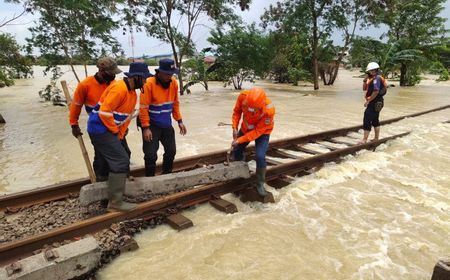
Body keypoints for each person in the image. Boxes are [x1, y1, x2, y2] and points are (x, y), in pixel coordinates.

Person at [87, 62, 152, 211]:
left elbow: (124, 118)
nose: (146, 82)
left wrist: (120, 136)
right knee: (121, 160)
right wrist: (114, 132)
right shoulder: (119, 89)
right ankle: (115, 203)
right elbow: (104, 112)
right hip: (100, 129)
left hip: (106, 129)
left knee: (107, 160)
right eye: (144, 79)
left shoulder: (131, 94)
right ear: (136, 77)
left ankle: (105, 199)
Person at [69, 57, 122, 181]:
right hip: (98, 128)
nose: (113, 76)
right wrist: (74, 125)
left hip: (115, 126)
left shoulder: (115, 84)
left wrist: (123, 126)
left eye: (114, 73)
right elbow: (76, 106)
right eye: (111, 73)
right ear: (101, 70)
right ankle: (101, 181)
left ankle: (117, 182)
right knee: (101, 157)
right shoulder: (85, 85)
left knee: (123, 154)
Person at [139, 58, 187, 177]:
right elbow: (143, 108)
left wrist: (179, 121)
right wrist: (146, 128)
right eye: (167, 74)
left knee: (171, 151)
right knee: (150, 154)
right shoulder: (148, 84)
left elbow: (175, 103)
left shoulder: (174, 83)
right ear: (159, 72)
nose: (169, 76)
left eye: (171, 74)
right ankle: (150, 178)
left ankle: (167, 174)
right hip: (151, 124)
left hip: (166, 123)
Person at [231, 87, 275, 196]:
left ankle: (260, 184)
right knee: (237, 150)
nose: (252, 111)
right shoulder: (243, 96)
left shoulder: (269, 110)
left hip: (262, 132)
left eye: (254, 109)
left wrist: (240, 139)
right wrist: (235, 127)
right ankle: (240, 172)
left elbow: (257, 132)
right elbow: (237, 112)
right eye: (250, 108)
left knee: (260, 156)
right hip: (246, 128)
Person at [360, 62, 387, 144]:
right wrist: (365, 80)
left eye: (369, 71)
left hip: (375, 102)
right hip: (378, 102)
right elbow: (364, 89)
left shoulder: (376, 79)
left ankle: (364, 140)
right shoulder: (372, 79)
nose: (369, 73)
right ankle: (376, 138)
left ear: (373, 70)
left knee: (367, 119)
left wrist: (368, 101)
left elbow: (375, 91)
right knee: (375, 120)